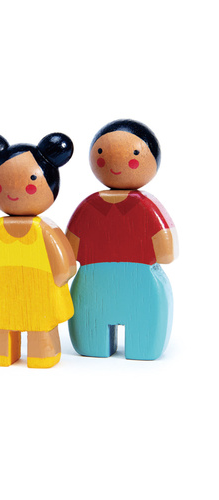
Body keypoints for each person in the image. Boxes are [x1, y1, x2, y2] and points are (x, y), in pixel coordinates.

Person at [66, 119, 178, 360]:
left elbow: (167, 252)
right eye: (102, 152)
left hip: (141, 279)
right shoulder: (89, 207)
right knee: (92, 324)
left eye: (135, 153)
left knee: (143, 326)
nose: (116, 160)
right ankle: (94, 344)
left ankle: (142, 346)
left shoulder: (146, 206)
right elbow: (69, 250)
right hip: (93, 279)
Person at [0, 132, 76, 368]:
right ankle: (0, 354)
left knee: (41, 324)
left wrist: (60, 277)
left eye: (30, 179)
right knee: (0, 325)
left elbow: (65, 266)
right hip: (0, 290)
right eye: (1, 178)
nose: (14, 188)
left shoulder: (45, 229)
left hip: (39, 291)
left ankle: (42, 354)